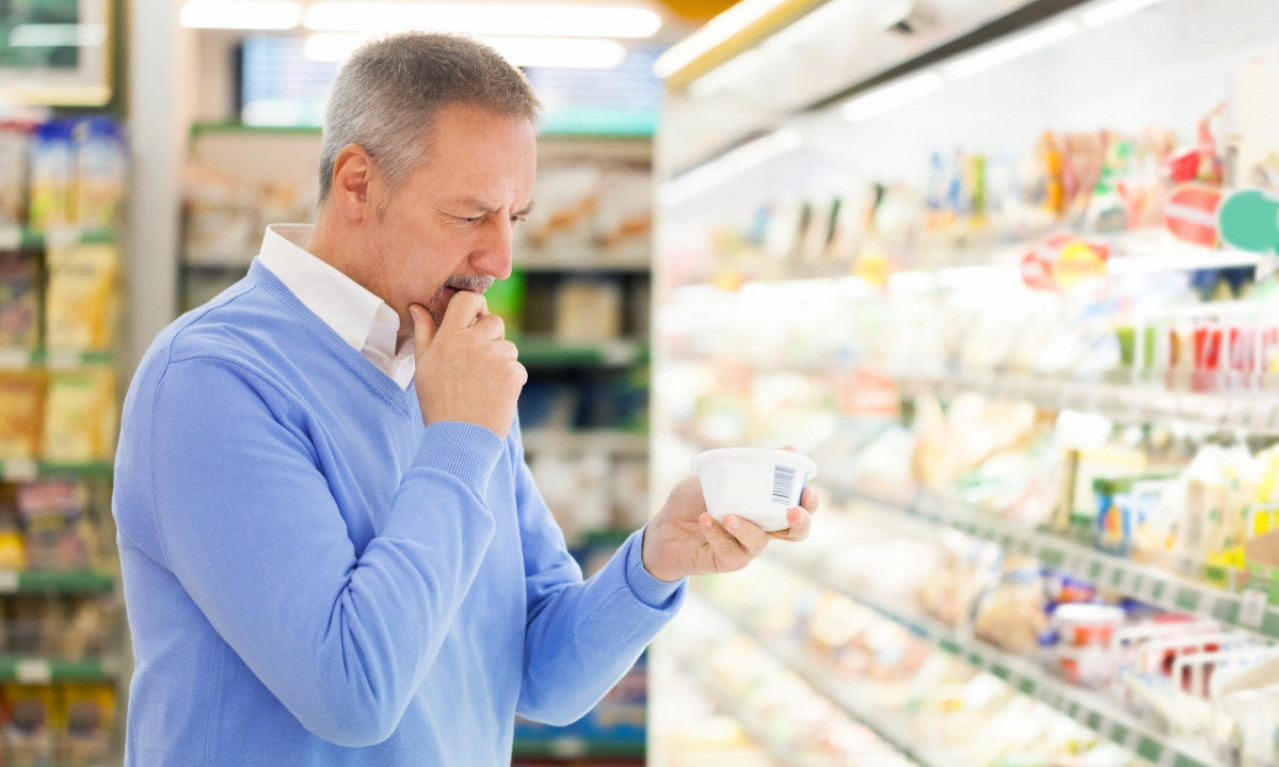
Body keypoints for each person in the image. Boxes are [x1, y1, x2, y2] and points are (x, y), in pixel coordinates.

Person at [112, 32, 818, 766]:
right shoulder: (211, 379)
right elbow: (350, 694)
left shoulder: (451, 369)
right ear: (357, 183)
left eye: (513, 218)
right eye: (469, 214)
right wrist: (457, 438)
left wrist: (655, 561)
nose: (501, 259)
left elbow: (541, 676)